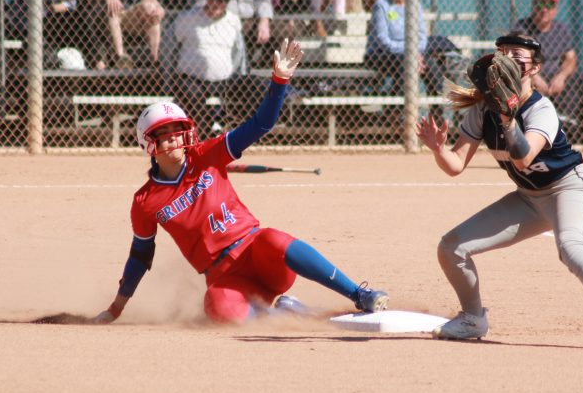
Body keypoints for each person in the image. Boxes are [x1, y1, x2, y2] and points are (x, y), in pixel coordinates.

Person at [92, 39, 389, 325]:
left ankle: (359, 294)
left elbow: (261, 124)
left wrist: (279, 81)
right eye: (165, 134)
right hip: (225, 278)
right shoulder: (145, 201)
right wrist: (115, 309)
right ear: (149, 145)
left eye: (178, 131)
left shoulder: (206, 154)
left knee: (273, 237)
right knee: (216, 306)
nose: (175, 139)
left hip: (258, 254)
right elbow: (140, 258)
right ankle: (286, 313)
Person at [415, 32, 583, 350]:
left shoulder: (541, 109)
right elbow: (455, 165)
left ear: (534, 68)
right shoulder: (483, 111)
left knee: (571, 247)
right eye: (501, 52)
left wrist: (509, 119)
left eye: (515, 54)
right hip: (528, 199)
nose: (505, 59)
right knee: (451, 247)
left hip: (569, 189)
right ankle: (472, 318)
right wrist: (438, 149)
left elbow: (524, 158)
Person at [512, 0, 583, 144]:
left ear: (556, 9)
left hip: (556, 80)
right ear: (534, 6)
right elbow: (516, 59)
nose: (545, 9)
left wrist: (561, 77)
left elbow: (571, 58)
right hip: (529, 78)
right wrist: (534, 77)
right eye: (540, 4)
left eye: (550, 5)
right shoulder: (522, 29)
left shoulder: (561, 29)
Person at [163, 0, 247, 140]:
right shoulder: (187, 18)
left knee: (253, 87)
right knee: (191, 94)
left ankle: (237, 136)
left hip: (224, 80)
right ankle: (204, 137)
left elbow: (239, 54)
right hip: (192, 79)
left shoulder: (233, 21)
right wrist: (168, 78)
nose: (218, 2)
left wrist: (240, 76)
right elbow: (168, 49)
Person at [364, 0, 427, 95]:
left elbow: (422, 37)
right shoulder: (381, 5)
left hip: (410, 54)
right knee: (405, 63)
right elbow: (383, 40)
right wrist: (410, 52)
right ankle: (395, 112)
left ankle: (436, 112)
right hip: (380, 54)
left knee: (432, 65)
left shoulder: (415, 5)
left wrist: (414, 53)